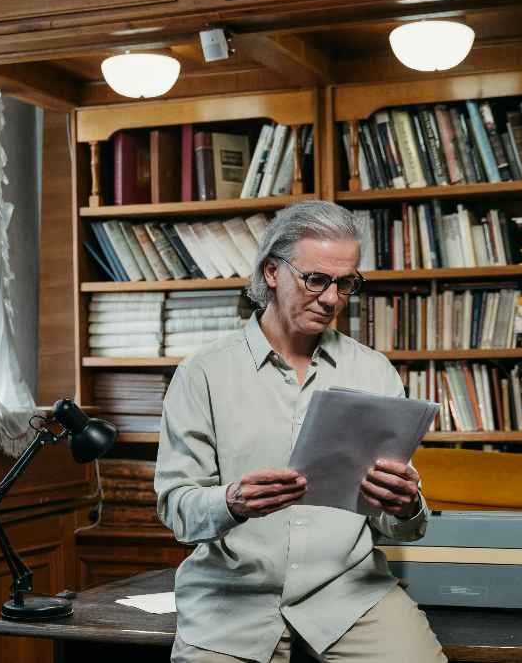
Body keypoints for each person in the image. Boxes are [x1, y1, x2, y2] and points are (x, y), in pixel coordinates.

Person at [155, 200, 446, 663]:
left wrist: (407, 505)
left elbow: (398, 526)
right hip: (233, 601)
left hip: (351, 594)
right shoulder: (203, 374)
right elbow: (176, 509)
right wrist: (231, 501)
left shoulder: (374, 372)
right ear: (272, 271)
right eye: (316, 280)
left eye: (345, 283)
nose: (331, 299)